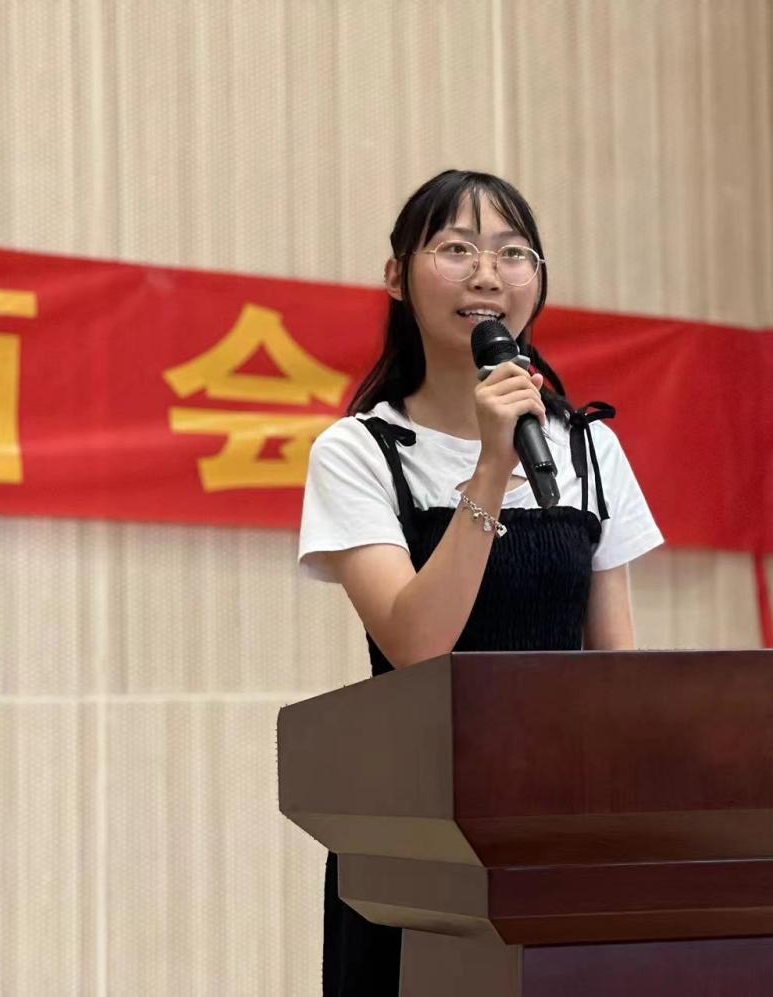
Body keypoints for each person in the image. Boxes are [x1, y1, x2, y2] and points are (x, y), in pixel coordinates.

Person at [297, 169, 664, 996]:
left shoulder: (588, 447)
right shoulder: (359, 452)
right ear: (397, 276)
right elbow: (419, 646)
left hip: (559, 826)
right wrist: (493, 469)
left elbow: (619, 670)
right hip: (415, 835)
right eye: (456, 249)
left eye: (512, 253)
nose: (487, 275)